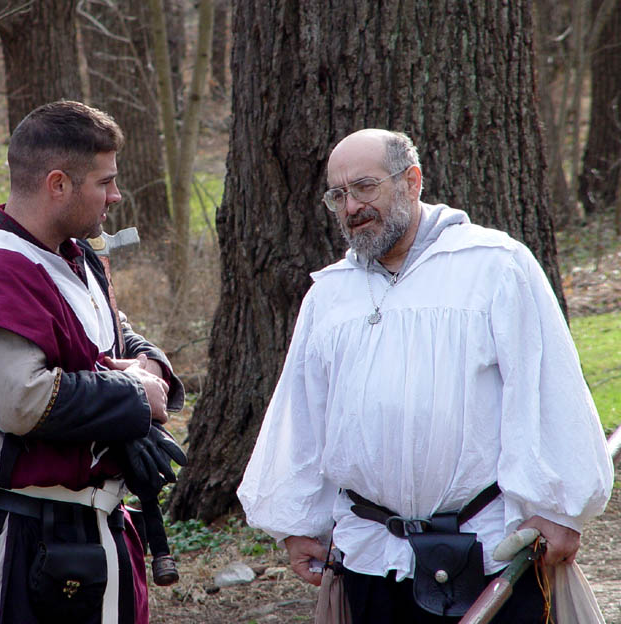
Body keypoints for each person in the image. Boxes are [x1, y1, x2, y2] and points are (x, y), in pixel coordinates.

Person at [237, 129, 613, 623]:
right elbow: (302, 415)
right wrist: (297, 522)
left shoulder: (494, 266)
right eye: (338, 195)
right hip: (370, 560)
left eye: (365, 187)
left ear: (411, 181)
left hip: (489, 554)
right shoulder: (329, 296)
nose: (352, 207)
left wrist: (559, 508)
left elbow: (548, 390)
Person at [0, 100, 185, 624]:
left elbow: (116, 334)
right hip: (24, 543)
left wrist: (144, 370)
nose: (116, 195)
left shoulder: (74, 256)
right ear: (58, 183)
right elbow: (24, 400)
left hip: (99, 533)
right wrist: (133, 394)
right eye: (104, 182)